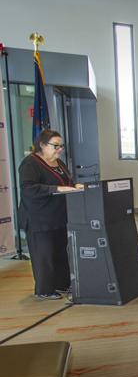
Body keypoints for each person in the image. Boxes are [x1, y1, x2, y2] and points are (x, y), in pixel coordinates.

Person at [18, 129, 84, 300]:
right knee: (44, 255)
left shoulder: (59, 163)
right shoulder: (30, 163)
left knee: (61, 253)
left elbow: (66, 182)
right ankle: (44, 290)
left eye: (61, 146)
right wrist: (56, 189)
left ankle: (62, 284)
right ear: (42, 145)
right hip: (39, 219)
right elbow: (28, 189)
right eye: (55, 145)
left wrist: (75, 186)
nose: (59, 149)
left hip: (58, 216)